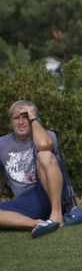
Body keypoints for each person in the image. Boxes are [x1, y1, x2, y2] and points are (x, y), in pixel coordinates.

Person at [0, 100, 66, 238]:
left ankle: (56, 216)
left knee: (44, 155)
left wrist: (34, 118)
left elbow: (43, 145)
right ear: (10, 122)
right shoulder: (2, 144)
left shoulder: (47, 136)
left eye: (25, 117)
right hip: (26, 203)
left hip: (49, 193)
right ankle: (38, 223)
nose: (21, 122)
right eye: (16, 118)